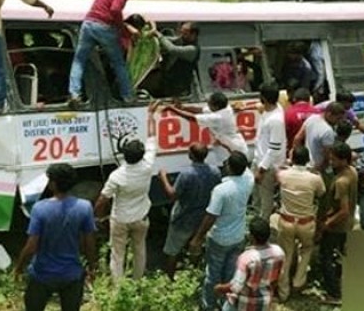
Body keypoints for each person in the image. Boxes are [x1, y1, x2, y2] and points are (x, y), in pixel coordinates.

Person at [14, 163, 97, 311]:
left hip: (42, 274)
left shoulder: (40, 208)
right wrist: (92, 267)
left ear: (52, 184)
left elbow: (31, 246)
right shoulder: (84, 207)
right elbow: (89, 243)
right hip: (72, 274)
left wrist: (19, 266)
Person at [93, 102, 156, 282]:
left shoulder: (117, 176)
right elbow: (152, 137)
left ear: (124, 155)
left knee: (117, 254)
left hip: (120, 219)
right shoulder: (148, 165)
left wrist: (96, 216)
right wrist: (150, 115)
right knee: (140, 250)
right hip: (141, 217)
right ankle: (137, 281)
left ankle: (119, 289)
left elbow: (103, 199)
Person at [190, 152, 254, 311]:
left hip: (219, 238)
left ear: (229, 167)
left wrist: (197, 238)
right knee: (230, 273)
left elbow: (211, 216)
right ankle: (227, 305)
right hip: (238, 237)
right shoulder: (249, 181)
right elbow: (245, 168)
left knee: (213, 275)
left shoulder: (221, 190)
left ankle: (209, 305)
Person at [68, 0, 141, 105]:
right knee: (119, 63)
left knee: (79, 60)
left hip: (88, 24)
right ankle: (128, 96)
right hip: (104, 27)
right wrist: (121, 27)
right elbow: (115, 9)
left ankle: (74, 93)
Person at [158, 143, 221, 279]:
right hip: (203, 218)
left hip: (183, 218)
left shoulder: (186, 174)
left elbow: (172, 195)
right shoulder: (215, 171)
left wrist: (163, 178)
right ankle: (192, 275)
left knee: (172, 250)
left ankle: (170, 278)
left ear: (191, 155)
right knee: (196, 247)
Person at [275, 146, 325, 302]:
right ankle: (298, 281)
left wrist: (286, 164)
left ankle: (283, 291)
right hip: (306, 223)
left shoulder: (282, 175)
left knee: (286, 255)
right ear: (307, 160)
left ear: (293, 159)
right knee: (306, 251)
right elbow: (321, 193)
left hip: (286, 221)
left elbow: (278, 172)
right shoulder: (315, 179)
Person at [317, 142, 357, 306]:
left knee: (326, 257)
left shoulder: (341, 182)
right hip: (347, 224)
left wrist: (326, 224)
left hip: (337, 226)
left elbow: (344, 210)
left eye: (334, 160)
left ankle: (334, 293)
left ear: (344, 160)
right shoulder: (352, 172)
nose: (331, 162)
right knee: (339, 256)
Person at [215, 217, 285, 311]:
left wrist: (219, 288)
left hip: (243, 304)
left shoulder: (246, 258)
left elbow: (236, 287)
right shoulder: (278, 252)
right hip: (264, 302)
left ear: (251, 237)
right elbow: (277, 278)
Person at [164, 92, 248, 168]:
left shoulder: (217, 117)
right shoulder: (225, 108)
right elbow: (202, 110)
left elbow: (193, 118)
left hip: (233, 152)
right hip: (231, 149)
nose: (208, 105)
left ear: (216, 106)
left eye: (209, 104)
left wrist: (173, 110)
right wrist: (183, 107)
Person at [253, 82, 287, 220]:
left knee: (265, 200)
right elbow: (261, 107)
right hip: (259, 160)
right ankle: (257, 220)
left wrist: (261, 170)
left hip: (267, 166)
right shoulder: (273, 108)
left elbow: (274, 149)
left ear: (264, 98)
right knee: (257, 197)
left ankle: (263, 226)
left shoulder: (276, 120)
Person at [291, 102, 344, 172]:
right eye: (338, 118)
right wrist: (318, 170)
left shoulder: (312, 118)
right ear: (329, 114)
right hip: (321, 169)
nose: (338, 121)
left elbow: (297, 138)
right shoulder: (328, 131)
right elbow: (328, 157)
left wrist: (297, 157)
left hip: (307, 164)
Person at [153, 22, 200, 97]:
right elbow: (170, 39)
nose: (182, 35)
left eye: (185, 33)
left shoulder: (192, 49)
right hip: (168, 84)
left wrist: (160, 36)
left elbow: (173, 49)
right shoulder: (181, 40)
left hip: (181, 89)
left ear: (193, 34)